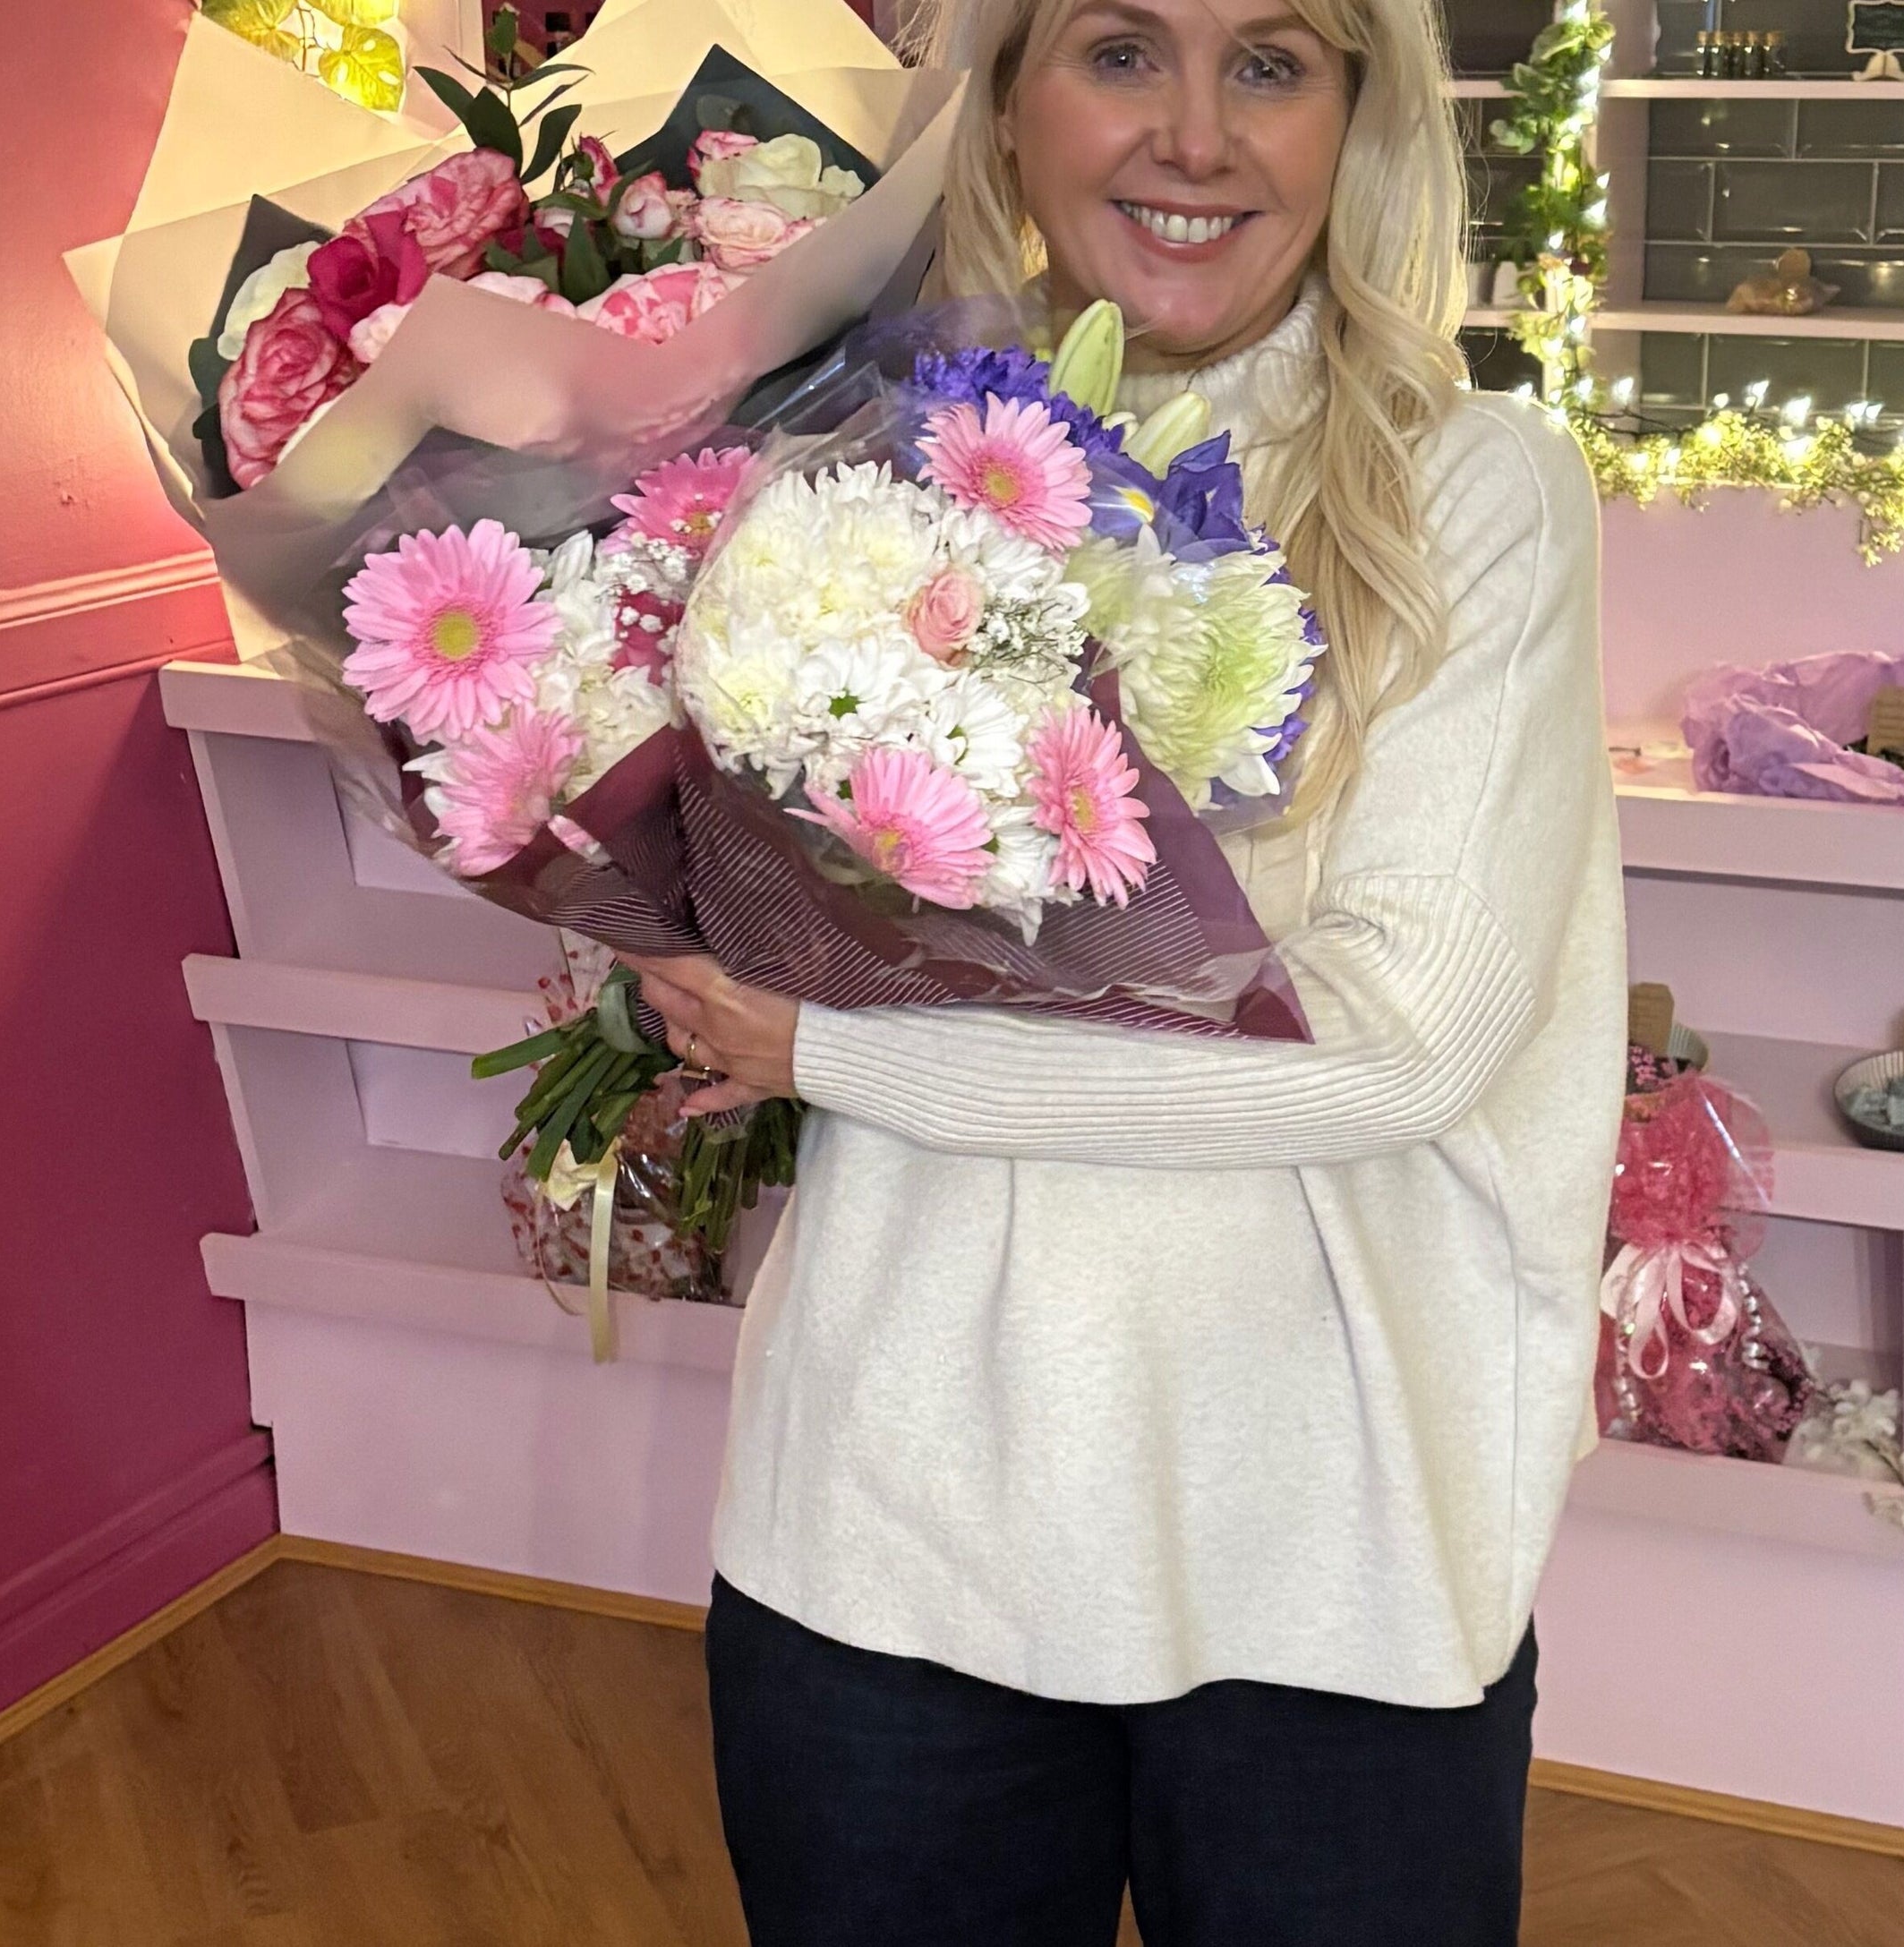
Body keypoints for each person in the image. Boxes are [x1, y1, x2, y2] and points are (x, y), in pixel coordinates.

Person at [622, 0, 1621, 1931]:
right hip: (889, 1520)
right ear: (1002, 107)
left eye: (1272, 63)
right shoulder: (839, 460)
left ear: (1359, 120)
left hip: (1335, 1551)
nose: (1195, 136)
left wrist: (838, 1048)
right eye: (1117, 50)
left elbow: (1404, 1046)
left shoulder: (1476, 492)